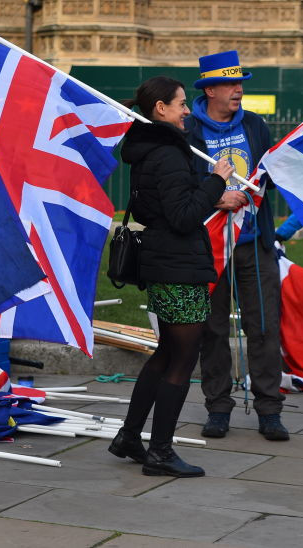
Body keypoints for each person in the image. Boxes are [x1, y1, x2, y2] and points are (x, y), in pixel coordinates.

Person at [107, 75, 235, 478]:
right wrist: (217, 179)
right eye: (180, 104)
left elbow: (161, 207)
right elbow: (182, 216)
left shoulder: (150, 150)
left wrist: (209, 193)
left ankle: (130, 436)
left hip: (166, 262)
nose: (186, 111)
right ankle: (160, 451)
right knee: (181, 357)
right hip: (178, 265)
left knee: (165, 353)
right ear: (160, 108)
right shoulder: (167, 154)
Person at [183, 50, 289, 441]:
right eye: (230, 84)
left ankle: (269, 410)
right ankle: (218, 408)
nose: (238, 91)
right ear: (210, 89)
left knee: (263, 327)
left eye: (240, 83)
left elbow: (269, 178)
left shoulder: (256, 126)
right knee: (211, 330)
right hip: (208, 246)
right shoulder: (189, 130)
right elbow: (180, 186)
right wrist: (215, 198)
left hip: (253, 242)